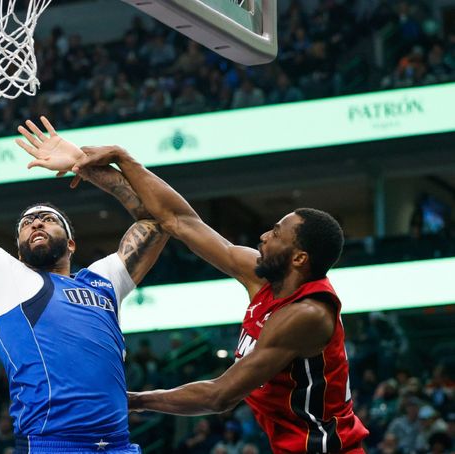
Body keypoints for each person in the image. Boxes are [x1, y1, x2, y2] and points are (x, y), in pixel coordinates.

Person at [19, 137, 369, 453]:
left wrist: (132, 400)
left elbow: (219, 396)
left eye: (276, 233)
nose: (264, 235)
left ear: (299, 259)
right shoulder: (261, 275)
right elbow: (178, 220)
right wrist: (116, 160)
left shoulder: (306, 315)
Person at [0, 73, 169, 453]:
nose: (35, 223)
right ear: (17, 250)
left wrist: (86, 167)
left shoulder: (102, 280)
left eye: (47, 219)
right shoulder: (0, 277)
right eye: (26, 223)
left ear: (72, 243)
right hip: (52, 445)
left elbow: (157, 221)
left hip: (119, 446)